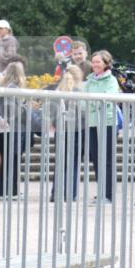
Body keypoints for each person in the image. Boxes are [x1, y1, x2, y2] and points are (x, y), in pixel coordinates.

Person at [84, 50, 121, 204]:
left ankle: (108, 194)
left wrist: (92, 102)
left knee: (106, 159)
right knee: (95, 157)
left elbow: (108, 98)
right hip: (92, 122)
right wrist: (95, 103)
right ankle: (101, 192)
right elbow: (82, 100)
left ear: (106, 63)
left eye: (98, 61)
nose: (95, 64)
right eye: (93, 62)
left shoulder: (111, 80)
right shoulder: (90, 81)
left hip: (107, 123)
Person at [0, 61, 32, 198]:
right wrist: (28, 108)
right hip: (12, 129)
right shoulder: (14, 88)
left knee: (6, 160)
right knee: (13, 160)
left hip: (3, 129)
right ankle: (11, 190)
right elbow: (15, 111)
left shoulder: (2, 86)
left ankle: (4, 189)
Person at [49, 66, 85, 203]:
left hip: (60, 130)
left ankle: (55, 193)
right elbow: (82, 113)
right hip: (75, 131)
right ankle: (71, 193)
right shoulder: (79, 92)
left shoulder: (58, 90)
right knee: (74, 164)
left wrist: (53, 122)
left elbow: (51, 110)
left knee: (60, 163)